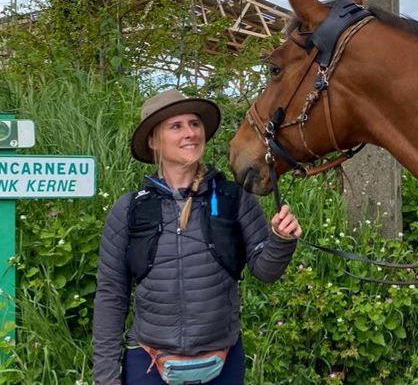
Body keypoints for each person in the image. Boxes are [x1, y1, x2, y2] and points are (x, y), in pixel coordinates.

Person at [93, 89, 302, 385]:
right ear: (154, 140)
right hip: (148, 362)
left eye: (194, 124)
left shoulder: (234, 197)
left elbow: (265, 271)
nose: (190, 133)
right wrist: (106, 378)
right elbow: (111, 296)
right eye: (175, 126)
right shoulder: (130, 209)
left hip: (223, 363)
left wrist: (281, 239)